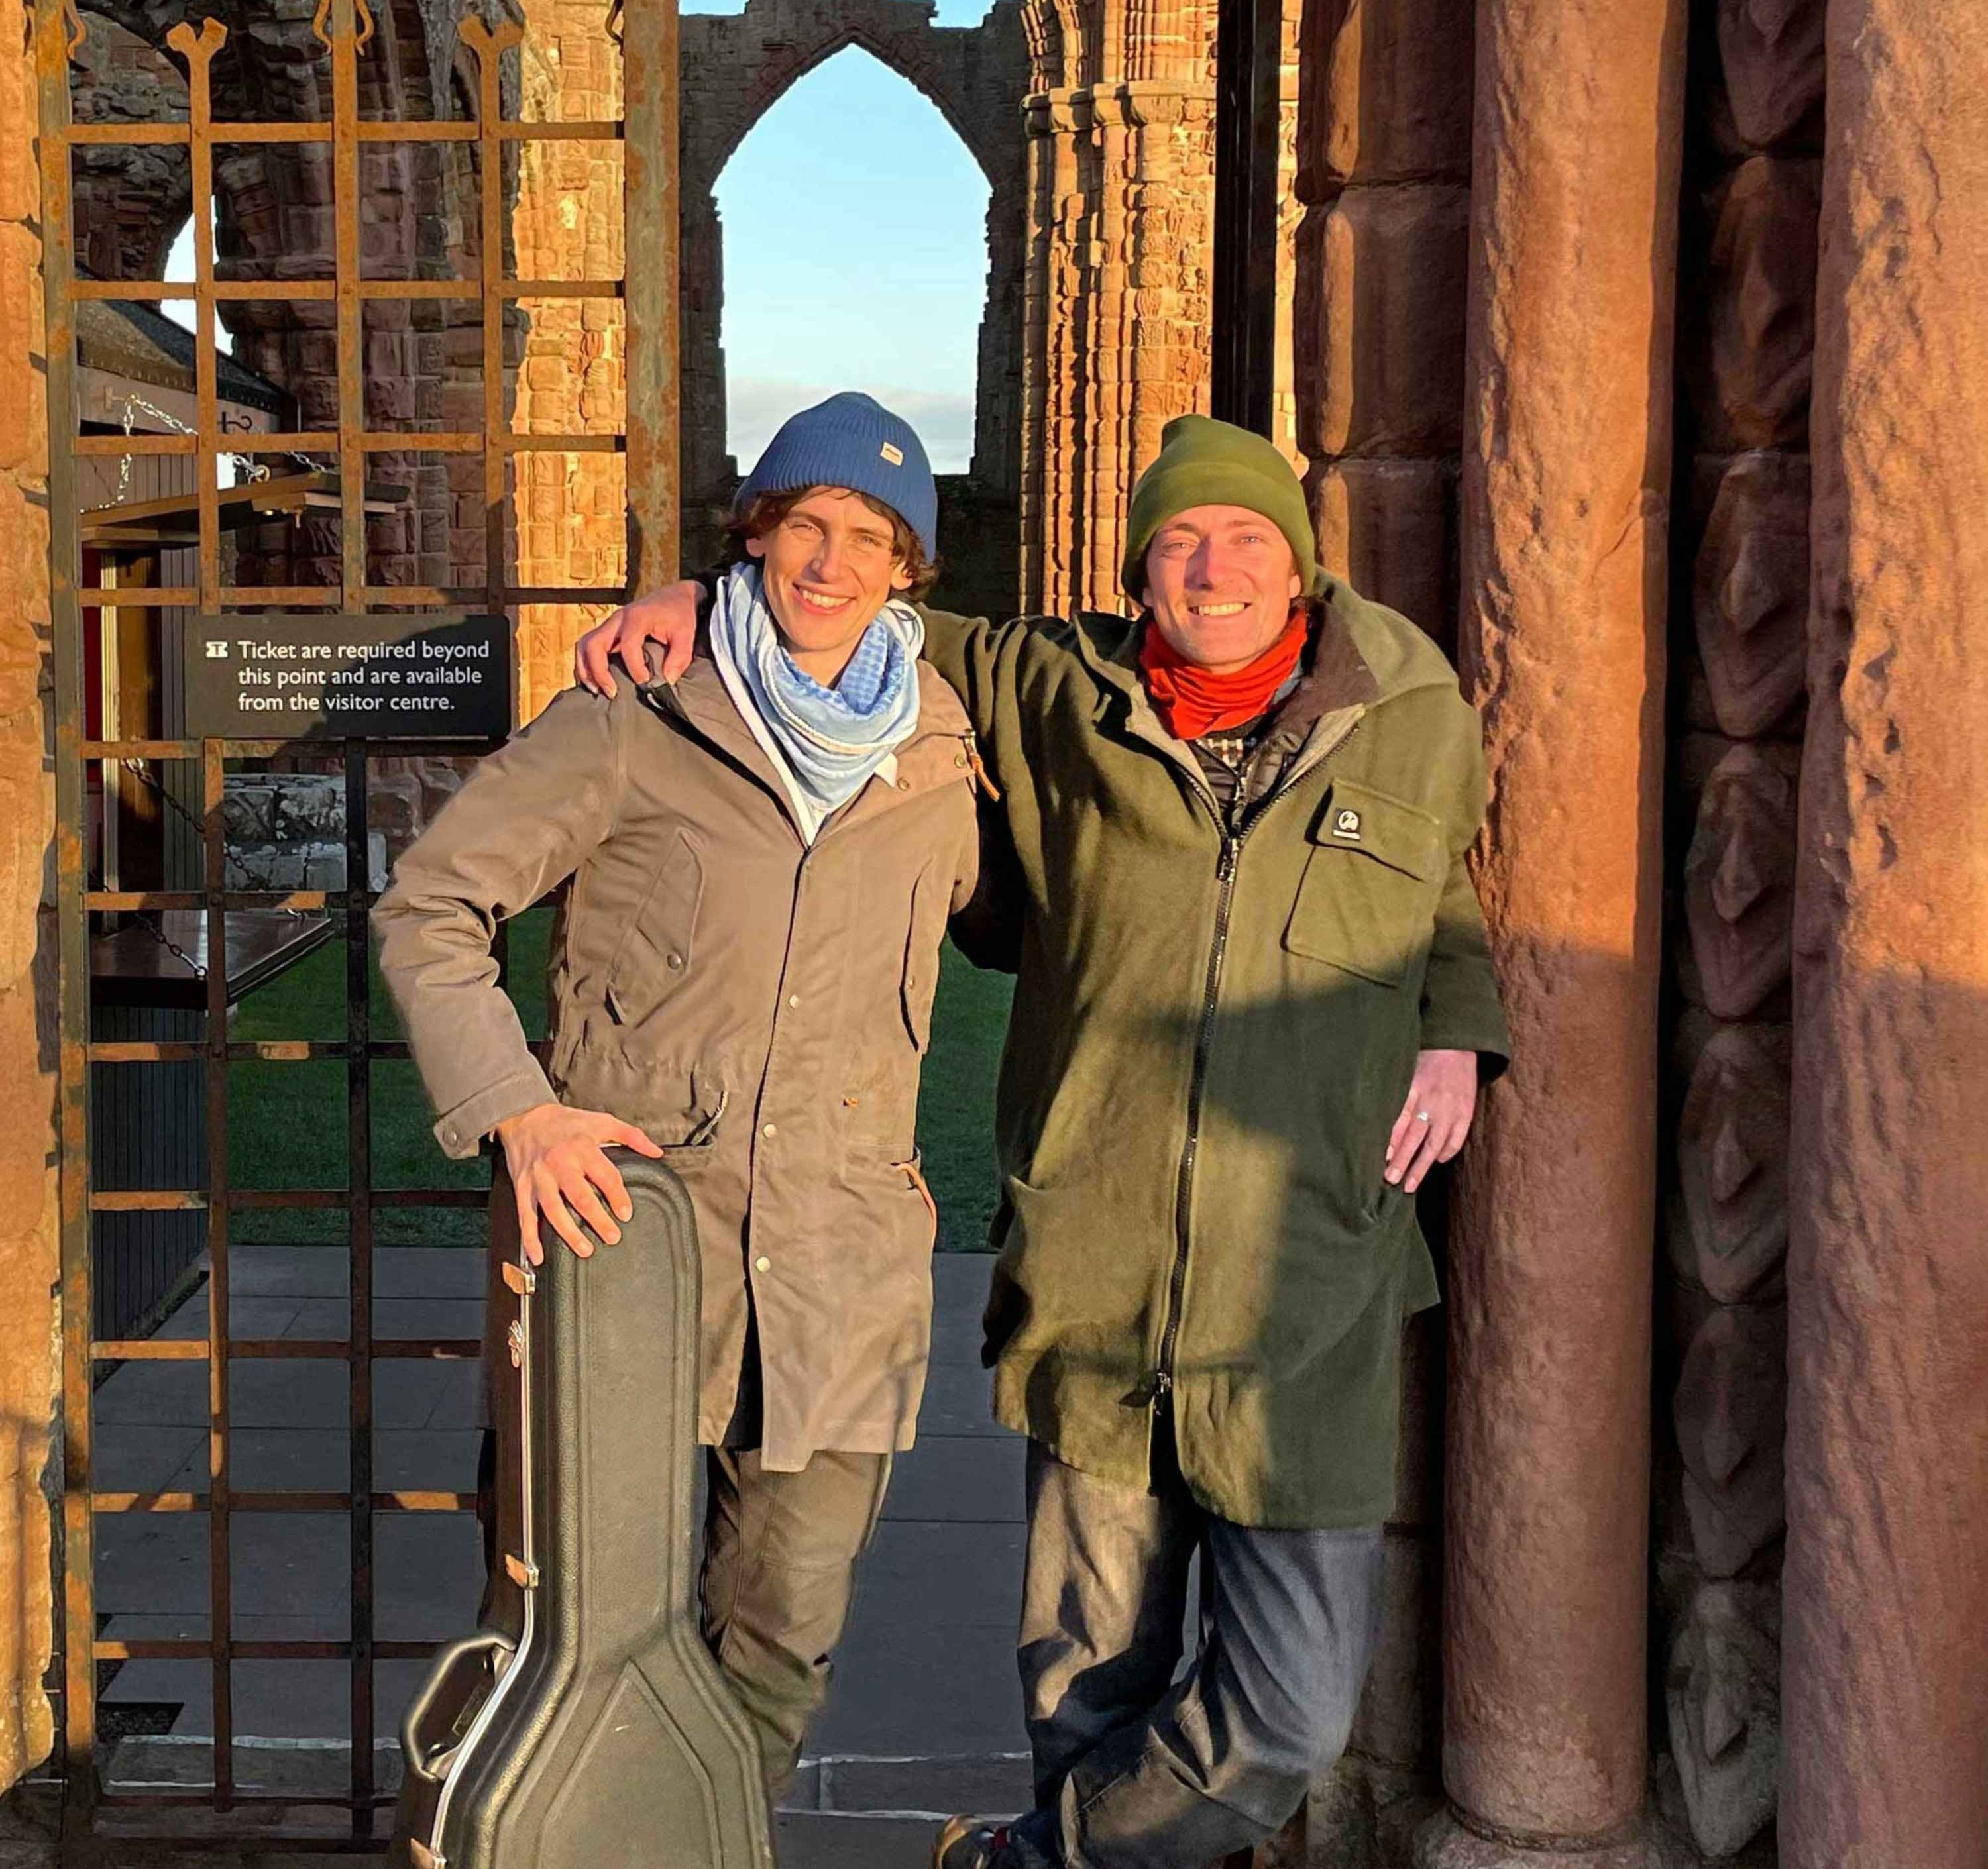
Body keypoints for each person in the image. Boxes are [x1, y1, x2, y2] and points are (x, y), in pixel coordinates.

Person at [573, 413, 1512, 1869]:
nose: (1214, 569)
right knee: (1087, 1689)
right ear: (1143, 571)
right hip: (1099, 1265)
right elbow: (865, 602)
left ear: (1300, 565)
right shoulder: (1057, 684)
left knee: (1291, 1717)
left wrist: (1459, 1027)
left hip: (1303, 1293)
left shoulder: (1407, 705)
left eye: (1245, 538)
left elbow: (1442, 891)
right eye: (1180, 542)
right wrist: (703, 594)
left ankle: (1032, 1865)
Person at [374, 392, 991, 1805]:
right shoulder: (634, 719)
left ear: (910, 570)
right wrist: (520, 1112)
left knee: (779, 1644)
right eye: (801, 527)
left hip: (842, 1283)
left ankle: (698, 1842)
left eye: (867, 538)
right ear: (755, 538)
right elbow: (431, 905)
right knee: (569, 1636)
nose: (829, 564)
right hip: (627, 1262)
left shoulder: (951, 753)